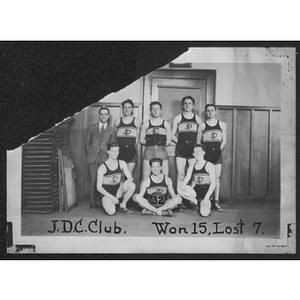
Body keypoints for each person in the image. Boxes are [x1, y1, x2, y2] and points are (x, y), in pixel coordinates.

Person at [171, 95, 202, 211]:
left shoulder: (197, 119)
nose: (187, 105)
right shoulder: (178, 118)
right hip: (181, 149)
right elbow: (172, 135)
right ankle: (180, 201)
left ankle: (191, 200)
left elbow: (200, 137)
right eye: (185, 103)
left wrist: (196, 146)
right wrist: (181, 142)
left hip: (193, 151)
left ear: (193, 105)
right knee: (181, 174)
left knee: (194, 175)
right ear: (182, 105)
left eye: (190, 103)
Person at [85, 106, 117, 209]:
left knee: (104, 181)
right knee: (94, 180)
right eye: (101, 114)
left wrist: (109, 156)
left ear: (108, 116)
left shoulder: (111, 130)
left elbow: (113, 146)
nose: (103, 116)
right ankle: (93, 203)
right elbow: (87, 144)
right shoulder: (92, 127)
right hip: (93, 158)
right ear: (99, 115)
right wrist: (91, 152)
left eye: (105, 114)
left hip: (105, 158)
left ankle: (102, 203)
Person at [197, 104, 227, 212]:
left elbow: (224, 141)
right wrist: (203, 153)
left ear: (216, 111)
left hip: (217, 154)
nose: (210, 113)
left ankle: (216, 201)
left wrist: (218, 149)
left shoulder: (222, 125)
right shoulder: (202, 126)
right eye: (208, 111)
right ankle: (207, 200)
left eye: (212, 110)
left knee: (216, 179)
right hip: (207, 155)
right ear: (205, 112)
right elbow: (198, 141)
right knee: (207, 178)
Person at [97, 142, 136, 215]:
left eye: (117, 151)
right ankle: (110, 203)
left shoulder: (122, 163)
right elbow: (99, 187)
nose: (115, 153)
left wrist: (126, 182)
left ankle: (122, 206)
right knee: (111, 212)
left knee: (132, 185)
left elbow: (130, 178)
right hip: (107, 194)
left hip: (118, 191)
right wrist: (112, 198)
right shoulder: (102, 167)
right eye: (113, 151)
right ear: (108, 152)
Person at [178, 144, 216, 217]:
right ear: (193, 154)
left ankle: (203, 204)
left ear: (203, 153)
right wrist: (183, 185)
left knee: (204, 214)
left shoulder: (209, 165)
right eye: (195, 152)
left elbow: (213, 184)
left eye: (199, 151)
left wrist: (206, 198)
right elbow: (185, 181)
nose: (197, 153)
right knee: (179, 188)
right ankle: (196, 202)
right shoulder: (191, 167)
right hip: (196, 192)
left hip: (207, 192)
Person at [140, 101, 171, 181]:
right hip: (149, 151)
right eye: (153, 109)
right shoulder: (146, 124)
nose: (156, 111)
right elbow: (141, 140)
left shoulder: (166, 124)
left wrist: (160, 147)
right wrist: (152, 144)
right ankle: (144, 193)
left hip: (162, 151)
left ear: (161, 110)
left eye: (157, 109)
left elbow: (168, 141)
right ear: (150, 111)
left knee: (165, 177)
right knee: (145, 176)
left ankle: (163, 193)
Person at [114, 99, 141, 175]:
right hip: (120, 152)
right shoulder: (117, 121)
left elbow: (137, 141)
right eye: (125, 107)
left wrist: (137, 155)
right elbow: (115, 138)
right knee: (119, 176)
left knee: (128, 176)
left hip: (131, 151)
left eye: (129, 107)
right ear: (122, 108)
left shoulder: (136, 122)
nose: (127, 109)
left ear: (132, 109)